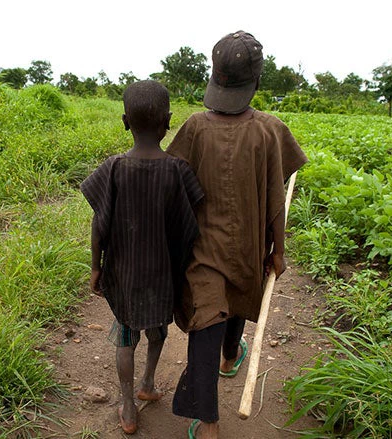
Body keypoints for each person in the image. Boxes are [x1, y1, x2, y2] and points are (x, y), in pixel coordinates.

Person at [167, 31, 308, 439]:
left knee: (207, 318)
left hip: (202, 250)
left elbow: (173, 184)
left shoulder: (194, 128)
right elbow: (276, 200)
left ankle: (210, 416)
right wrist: (278, 251)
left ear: (215, 76)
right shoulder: (270, 129)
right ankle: (229, 360)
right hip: (249, 246)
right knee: (239, 298)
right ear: (257, 81)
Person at [80, 80, 204, 435]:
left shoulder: (113, 168)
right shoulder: (178, 170)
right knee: (158, 331)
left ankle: (129, 406)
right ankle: (147, 382)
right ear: (168, 121)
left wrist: (95, 268)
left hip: (123, 276)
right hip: (162, 275)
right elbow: (191, 224)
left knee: (125, 337)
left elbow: (98, 224)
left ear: (125, 122)